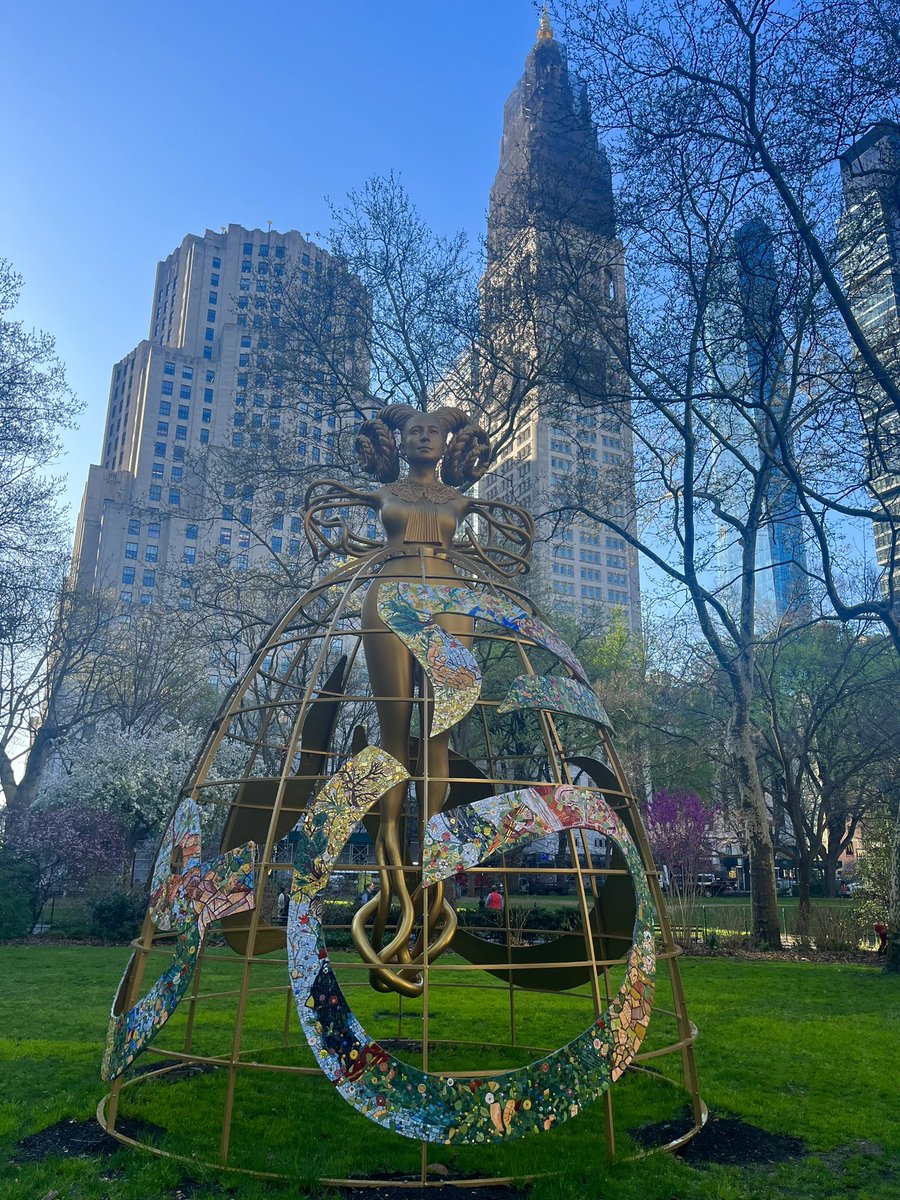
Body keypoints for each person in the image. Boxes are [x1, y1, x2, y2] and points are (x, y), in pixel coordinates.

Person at [306, 405, 532, 997]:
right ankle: (389, 872)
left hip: (453, 605)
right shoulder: (382, 491)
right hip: (387, 598)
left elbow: (512, 542)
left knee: (441, 736)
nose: (426, 435)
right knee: (393, 736)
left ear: (449, 440)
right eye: (415, 430)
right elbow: (326, 514)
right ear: (400, 441)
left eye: (436, 429)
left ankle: (430, 876)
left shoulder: (461, 502)